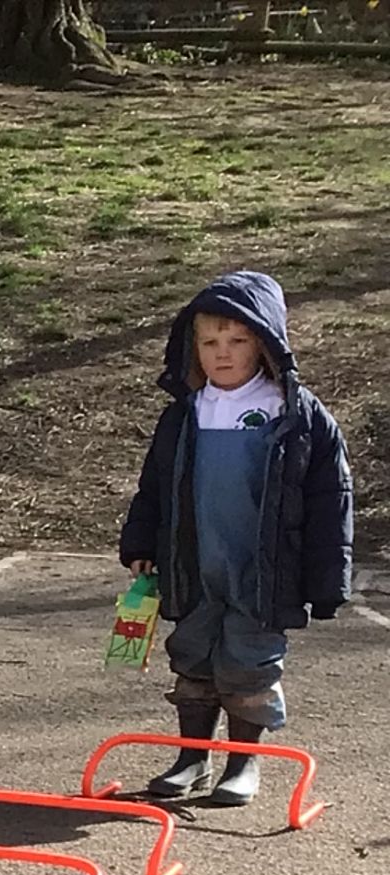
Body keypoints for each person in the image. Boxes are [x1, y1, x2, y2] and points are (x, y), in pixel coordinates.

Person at [118, 269, 355, 808]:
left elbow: (331, 498)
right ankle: (192, 757)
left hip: (263, 568)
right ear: (192, 349)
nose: (222, 353)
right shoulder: (184, 415)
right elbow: (154, 487)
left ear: (266, 343)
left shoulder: (295, 413)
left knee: (248, 661)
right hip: (195, 562)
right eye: (209, 343)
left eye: (238, 340)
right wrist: (141, 545)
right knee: (193, 654)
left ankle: (243, 762)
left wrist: (327, 579)